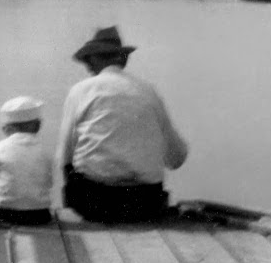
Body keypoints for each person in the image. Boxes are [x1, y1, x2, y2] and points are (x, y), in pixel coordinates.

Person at [57, 26, 188, 223]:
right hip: (145, 204)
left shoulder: (80, 91)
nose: (87, 66)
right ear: (123, 59)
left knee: (73, 168)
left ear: (94, 59)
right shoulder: (148, 91)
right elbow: (177, 158)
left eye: (88, 60)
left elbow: (64, 155)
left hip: (95, 205)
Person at [0, 96, 53, 225]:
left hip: (5, 214)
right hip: (39, 215)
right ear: (38, 126)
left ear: (7, 128)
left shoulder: (1, 147)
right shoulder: (45, 150)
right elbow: (49, 182)